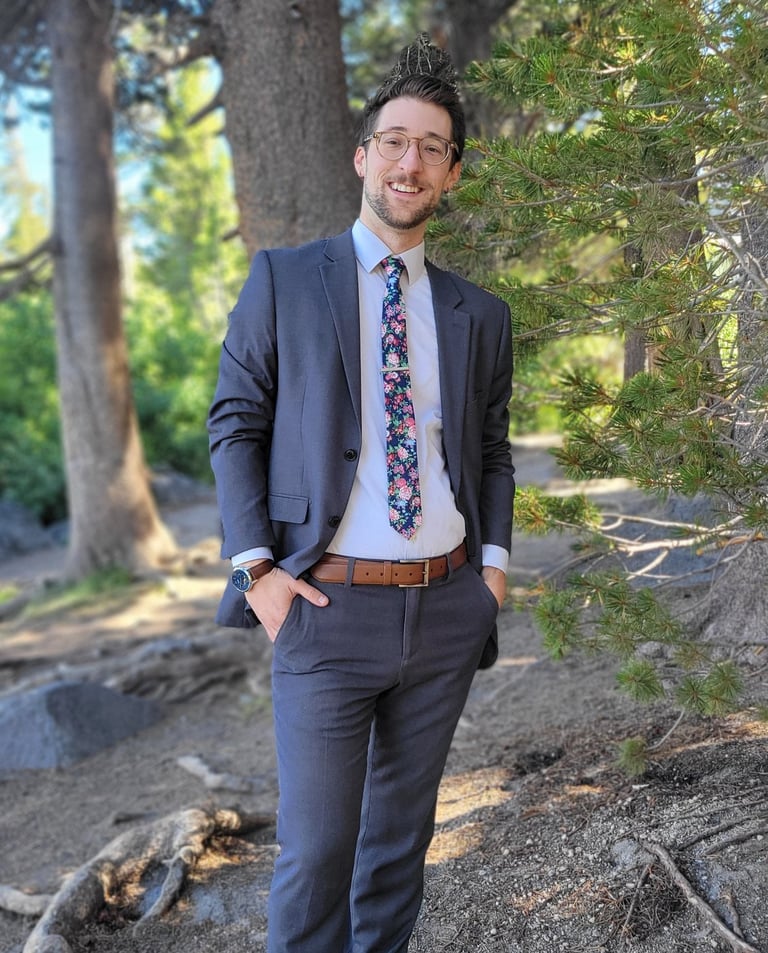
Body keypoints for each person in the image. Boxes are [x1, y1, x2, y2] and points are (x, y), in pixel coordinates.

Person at [207, 34, 515, 953]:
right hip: (322, 607)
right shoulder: (283, 280)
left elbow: (492, 450)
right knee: (317, 852)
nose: (409, 161)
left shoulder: (479, 314)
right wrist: (257, 569)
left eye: (430, 147)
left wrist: (491, 574)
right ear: (363, 155)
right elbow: (234, 424)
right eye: (394, 140)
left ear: (451, 173)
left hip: (447, 607)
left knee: (397, 849)